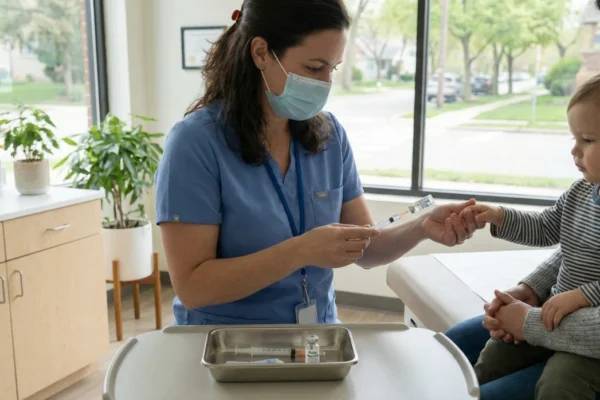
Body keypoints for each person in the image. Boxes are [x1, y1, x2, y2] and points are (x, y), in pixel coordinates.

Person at [154, 0, 482, 326]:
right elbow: (192, 286)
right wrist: (302, 251)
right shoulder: (196, 144)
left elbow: (366, 248)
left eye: (333, 68)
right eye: (314, 68)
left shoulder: (329, 136)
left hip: (315, 337)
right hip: (225, 345)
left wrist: (422, 227)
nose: (326, 83)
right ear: (260, 53)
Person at [447, 74, 600, 400]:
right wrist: (500, 216)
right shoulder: (581, 192)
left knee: (560, 384)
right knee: (496, 353)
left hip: (587, 342)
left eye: (588, 140)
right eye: (574, 138)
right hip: (553, 313)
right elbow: (549, 229)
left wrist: (579, 297)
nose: (575, 151)